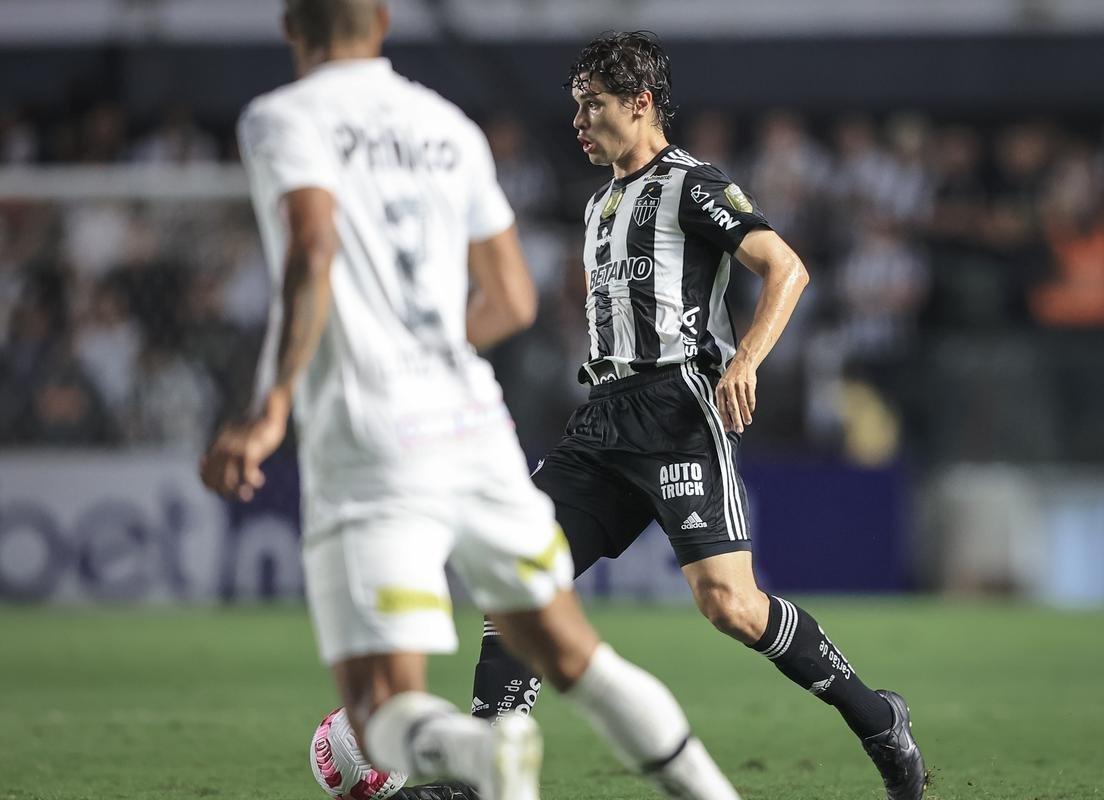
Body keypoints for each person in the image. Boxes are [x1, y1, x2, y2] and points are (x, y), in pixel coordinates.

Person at [198, 4, 742, 800]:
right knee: (574, 656)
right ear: (382, 20)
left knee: (379, 702)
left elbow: (312, 247)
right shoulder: (445, 126)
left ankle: (483, 755)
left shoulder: (281, 120)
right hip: (473, 421)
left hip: (370, 430)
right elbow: (513, 300)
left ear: (290, 26)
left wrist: (272, 402)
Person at [465, 31, 927, 800]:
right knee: (516, 573)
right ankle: (481, 768)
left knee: (730, 605)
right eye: (576, 104)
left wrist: (745, 358)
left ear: (640, 104)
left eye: (594, 104)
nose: (578, 119)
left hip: (677, 408)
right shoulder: (600, 202)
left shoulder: (690, 183)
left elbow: (787, 267)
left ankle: (876, 716)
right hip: (603, 416)